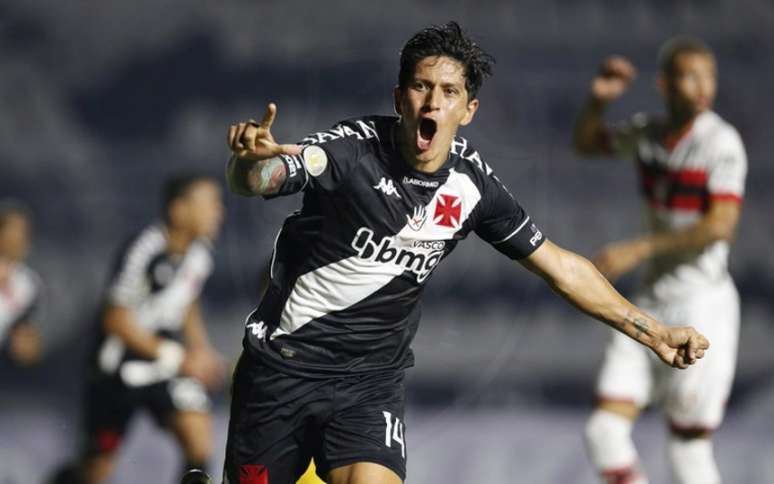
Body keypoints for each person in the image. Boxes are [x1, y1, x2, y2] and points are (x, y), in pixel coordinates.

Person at [223, 22, 709, 484]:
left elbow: (561, 268)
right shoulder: (352, 151)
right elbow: (262, 179)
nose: (432, 102)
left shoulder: (472, 187)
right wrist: (248, 162)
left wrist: (653, 331)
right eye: (420, 87)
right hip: (282, 369)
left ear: (468, 109)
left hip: (369, 384)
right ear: (399, 98)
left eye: (448, 91)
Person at [573, 36, 746, 484]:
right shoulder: (649, 134)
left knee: (688, 448)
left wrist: (640, 247)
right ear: (665, 84)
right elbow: (588, 144)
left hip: (702, 302)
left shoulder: (720, 142)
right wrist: (597, 101)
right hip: (651, 300)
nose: (703, 86)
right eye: (691, 76)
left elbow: (720, 225)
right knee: (603, 432)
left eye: (709, 75)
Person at [49, 173, 226, 484]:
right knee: (96, 469)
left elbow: (187, 301)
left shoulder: (201, 254)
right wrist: (180, 358)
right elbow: (115, 319)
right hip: (118, 369)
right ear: (179, 209)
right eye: (210, 203)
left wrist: (201, 349)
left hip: (164, 367)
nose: (219, 212)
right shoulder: (144, 248)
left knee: (198, 436)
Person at [0, 201, 42, 366]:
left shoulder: (29, 284)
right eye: (14, 230)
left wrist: (26, 343)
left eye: (25, 232)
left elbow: (29, 346)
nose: (20, 238)